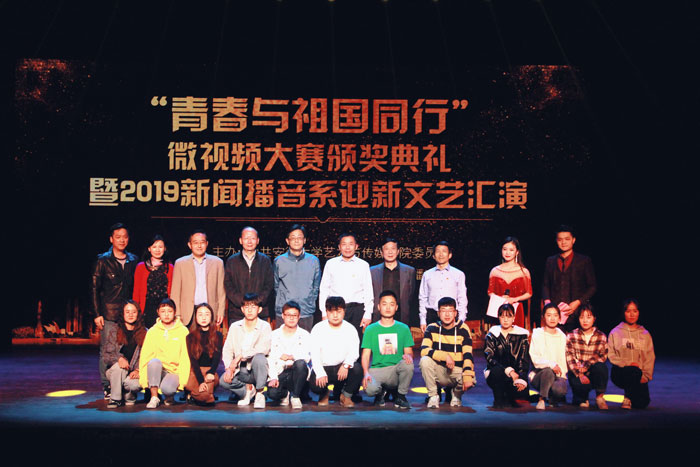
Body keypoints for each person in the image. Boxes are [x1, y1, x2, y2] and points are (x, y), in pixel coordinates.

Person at [91, 222, 138, 399]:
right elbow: (94, 289)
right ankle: (107, 386)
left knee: (127, 348)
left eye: (124, 237)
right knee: (107, 349)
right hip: (109, 313)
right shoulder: (103, 260)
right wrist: (97, 314)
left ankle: (124, 382)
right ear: (111, 239)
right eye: (118, 237)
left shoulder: (133, 260)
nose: (121, 240)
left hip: (129, 314)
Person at [361, 290, 414, 410]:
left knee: (408, 364)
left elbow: (409, 352)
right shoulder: (371, 329)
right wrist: (366, 373)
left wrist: (409, 356)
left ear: (396, 307)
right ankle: (381, 392)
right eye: (384, 304)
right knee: (370, 389)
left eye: (391, 304)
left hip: (396, 370)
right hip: (377, 369)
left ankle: (400, 396)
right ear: (379, 307)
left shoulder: (403, 328)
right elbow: (366, 355)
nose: (388, 308)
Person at [419, 296, 475, 408]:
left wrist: (468, 375)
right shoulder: (431, 328)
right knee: (425, 361)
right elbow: (424, 350)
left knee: (471, 378)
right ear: (438, 313)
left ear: (455, 313)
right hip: (440, 371)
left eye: (450, 311)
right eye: (444, 311)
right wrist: (445, 356)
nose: (447, 314)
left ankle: (456, 395)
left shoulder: (463, 329)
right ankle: (433, 396)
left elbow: (468, 355)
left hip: (456, 370)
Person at [309, 296, 363, 408]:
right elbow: (314, 354)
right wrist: (320, 372)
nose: (335, 315)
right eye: (331, 311)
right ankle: (324, 394)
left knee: (357, 369)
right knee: (315, 384)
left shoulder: (350, 329)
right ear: (326, 312)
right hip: (325, 368)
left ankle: (346, 396)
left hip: (341, 368)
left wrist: (346, 365)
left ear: (344, 312)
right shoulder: (318, 328)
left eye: (338, 311)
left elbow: (354, 352)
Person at [220, 293, 271, 409]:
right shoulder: (235, 326)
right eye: (247, 307)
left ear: (259, 309)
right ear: (242, 309)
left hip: (256, 370)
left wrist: (240, 356)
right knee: (223, 381)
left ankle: (260, 393)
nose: (250, 310)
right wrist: (228, 368)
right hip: (240, 370)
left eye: (253, 307)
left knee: (260, 358)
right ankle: (248, 391)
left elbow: (264, 348)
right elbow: (227, 349)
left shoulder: (265, 326)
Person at [542, 225, 597, 332]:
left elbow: (592, 287)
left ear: (573, 240)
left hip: (577, 313)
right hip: (556, 314)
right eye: (560, 239)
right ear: (556, 241)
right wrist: (548, 303)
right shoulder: (550, 261)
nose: (563, 242)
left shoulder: (584, 261)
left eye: (567, 239)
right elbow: (545, 285)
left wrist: (578, 302)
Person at [319, 232, 374, 339]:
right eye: (344, 244)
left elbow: (368, 291)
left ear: (356, 246)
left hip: (357, 310)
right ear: (339, 247)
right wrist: (324, 313)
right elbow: (324, 290)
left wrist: (368, 313)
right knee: (335, 340)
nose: (347, 247)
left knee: (356, 341)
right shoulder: (331, 264)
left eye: (351, 244)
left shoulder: (363, 265)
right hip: (335, 310)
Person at [139, 299, 190, 409]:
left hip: (174, 371)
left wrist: (183, 381)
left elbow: (185, 358)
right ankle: (154, 397)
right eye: (163, 311)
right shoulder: (152, 331)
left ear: (175, 312)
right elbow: (145, 356)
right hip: (157, 370)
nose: (166, 314)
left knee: (168, 389)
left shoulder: (183, 331)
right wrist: (143, 380)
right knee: (154, 362)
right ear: (158, 312)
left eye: (169, 311)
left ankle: (169, 396)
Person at [171, 230, 225, 327]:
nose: (199, 246)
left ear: (207, 243)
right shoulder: (180, 263)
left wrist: (221, 311)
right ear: (189, 245)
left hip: (210, 311)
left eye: (202, 242)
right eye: (195, 243)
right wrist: (177, 314)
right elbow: (175, 292)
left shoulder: (217, 262)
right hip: (188, 313)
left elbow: (221, 291)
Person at [608, 299, 655, 409]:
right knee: (633, 371)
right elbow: (611, 355)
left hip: (639, 374)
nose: (632, 314)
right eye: (628, 311)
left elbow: (650, 357)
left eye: (635, 311)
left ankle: (632, 396)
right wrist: (627, 363)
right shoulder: (615, 332)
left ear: (639, 312)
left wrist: (646, 376)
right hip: (621, 372)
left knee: (642, 403)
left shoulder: (645, 334)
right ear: (623, 312)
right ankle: (627, 398)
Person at [273, 225, 320, 332]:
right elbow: (275, 286)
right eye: (293, 237)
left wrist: (309, 302)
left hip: (305, 311)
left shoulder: (313, 261)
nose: (296, 240)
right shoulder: (279, 261)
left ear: (304, 240)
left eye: (299, 237)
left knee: (305, 341)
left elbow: (316, 287)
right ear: (287, 241)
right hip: (284, 312)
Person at [484, 303, 530, 408]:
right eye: (502, 316)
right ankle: (498, 399)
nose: (505, 320)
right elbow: (490, 358)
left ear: (513, 318)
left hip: (515, 376)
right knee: (496, 371)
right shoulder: (492, 335)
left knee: (522, 394)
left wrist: (521, 378)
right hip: (497, 373)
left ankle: (510, 396)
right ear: (498, 318)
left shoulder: (522, 336)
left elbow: (524, 360)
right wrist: (509, 371)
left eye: (509, 316)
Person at [225, 226, 274, 324]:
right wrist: (244, 303)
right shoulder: (232, 261)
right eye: (246, 238)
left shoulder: (265, 261)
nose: (249, 241)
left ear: (258, 241)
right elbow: (228, 286)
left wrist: (256, 303)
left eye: (253, 238)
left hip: (260, 312)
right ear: (240, 240)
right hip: (237, 313)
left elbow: (269, 285)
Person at [267, 301, 311, 409]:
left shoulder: (305, 335)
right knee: (272, 393)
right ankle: (285, 394)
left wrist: (291, 357)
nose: (291, 318)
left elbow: (307, 356)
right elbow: (270, 358)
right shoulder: (274, 335)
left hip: (297, 373)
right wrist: (273, 377)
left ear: (299, 316)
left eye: (294, 315)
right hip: (280, 371)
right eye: (288, 315)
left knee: (300, 363)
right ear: (283, 315)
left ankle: (295, 396)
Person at [104, 300, 146, 408]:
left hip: (134, 373)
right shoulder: (115, 330)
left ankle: (128, 395)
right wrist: (119, 359)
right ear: (122, 314)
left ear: (138, 314)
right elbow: (106, 356)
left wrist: (138, 370)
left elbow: (147, 355)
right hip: (115, 371)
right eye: (127, 312)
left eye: (133, 312)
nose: (130, 314)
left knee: (132, 385)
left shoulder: (145, 332)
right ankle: (115, 399)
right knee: (119, 368)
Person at [566, 303, 609, 409]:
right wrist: (579, 373)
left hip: (592, 371)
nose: (585, 320)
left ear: (594, 319)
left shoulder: (601, 336)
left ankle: (599, 397)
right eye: (582, 317)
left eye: (588, 317)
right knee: (579, 398)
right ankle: (581, 397)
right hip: (577, 372)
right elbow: (569, 357)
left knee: (601, 367)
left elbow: (603, 356)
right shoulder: (571, 335)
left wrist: (587, 365)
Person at [418, 241, 468, 332]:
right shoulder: (427, 274)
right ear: (433, 256)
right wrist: (423, 319)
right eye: (438, 251)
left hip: (451, 316)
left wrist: (461, 319)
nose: (441, 254)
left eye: (444, 251)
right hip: (432, 316)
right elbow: (423, 298)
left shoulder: (458, 274)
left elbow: (462, 298)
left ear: (450, 255)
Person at [528, 303, 568, 410]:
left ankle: (552, 397)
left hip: (557, 375)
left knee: (560, 390)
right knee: (548, 371)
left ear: (559, 318)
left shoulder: (562, 336)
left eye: (555, 315)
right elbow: (535, 359)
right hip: (539, 374)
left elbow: (564, 360)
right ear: (543, 317)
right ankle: (542, 398)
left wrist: (562, 376)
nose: (552, 318)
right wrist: (551, 364)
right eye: (549, 315)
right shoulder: (537, 334)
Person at [370, 238, 416, 325]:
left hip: (402, 317)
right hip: (378, 316)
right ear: (381, 252)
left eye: (393, 249)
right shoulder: (372, 271)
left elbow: (411, 296)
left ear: (398, 251)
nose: (390, 252)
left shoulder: (409, 271)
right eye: (387, 249)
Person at [488, 236, 532, 328]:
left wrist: (514, 299)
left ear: (517, 252)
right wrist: (500, 299)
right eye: (505, 249)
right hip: (499, 309)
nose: (507, 252)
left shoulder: (524, 271)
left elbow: (529, 293)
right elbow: (490, 292)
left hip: (516, 309)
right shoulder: (495, 271)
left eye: (511, 250)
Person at [185, 303, 223, 406]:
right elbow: (193, 361)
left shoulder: (218, 335)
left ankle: (197, 394)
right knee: (204, 396)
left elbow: (217, 358)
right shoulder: (190, 337)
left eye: (207, 314)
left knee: (206, 396)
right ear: (196, 317)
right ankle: (193, 393)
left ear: (211, 317)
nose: (204, 317)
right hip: (196, 371)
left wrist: (211, 372)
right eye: (200, 314)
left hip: (210, 372)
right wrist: (201, 381)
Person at [132, 234, 173, 328]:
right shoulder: (141, 267)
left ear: (165, 248)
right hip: (147, 308)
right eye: (154, 247)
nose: (157, 250)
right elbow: (136, 292)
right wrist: (136, 311)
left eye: (160, 247)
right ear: (149, 249)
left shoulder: (170, 267)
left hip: (164, 309)